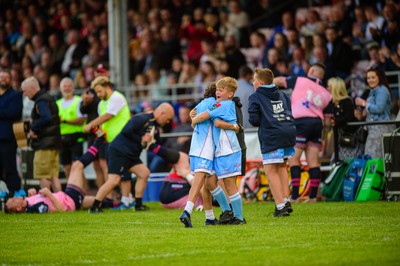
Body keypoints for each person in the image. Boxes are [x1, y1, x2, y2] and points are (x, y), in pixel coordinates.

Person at [181, 77, 245, 227]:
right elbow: (209, 116)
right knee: (212, 181)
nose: (218, 92)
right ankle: (227, 212)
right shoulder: (220, 104)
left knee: (229, 184)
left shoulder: (226, 104)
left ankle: (239, 217)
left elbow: (210, 118)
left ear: (230, 94)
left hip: (228, 149)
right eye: (217, 89)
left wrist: (194, 120)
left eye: (221, 90)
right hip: (220, 150)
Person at [89, 102, 175, 213]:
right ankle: (94, 206)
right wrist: (141, 139)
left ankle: (138, 205)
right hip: (119, 151)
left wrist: (171, 158)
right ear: (162, 113)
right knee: (114, 180)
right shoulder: (142, 119)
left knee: (144, 173)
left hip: (131, 155)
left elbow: (157, 145)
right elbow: (126, 131)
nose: (167, 122)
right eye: (167, 119)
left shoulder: (155, 127)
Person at [4, 135, 110, 213]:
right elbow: (61, 210)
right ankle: (99, 140)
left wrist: (35, 192)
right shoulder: (35, 208)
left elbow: (41, 197)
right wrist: (49, 194)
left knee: (95, 201)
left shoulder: (27, 201)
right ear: (18, 208)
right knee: (77, 166)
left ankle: (116, 204)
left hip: (67, 196)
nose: (15, 197)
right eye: (13, 200)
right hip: (70, 199)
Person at [274, 63, 333, 203]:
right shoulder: (327, 93)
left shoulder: (300, 80)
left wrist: (265, 85)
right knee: (313, 161)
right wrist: (323, 138)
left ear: (311, 71)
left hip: (301, 122)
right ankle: (312, 197)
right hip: (317, 124)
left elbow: (279, 80)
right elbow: (328, 121)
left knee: (294, 160)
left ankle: (295, 196)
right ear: (321, 76)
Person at [248, 68, 296, 217]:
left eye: (254, 80)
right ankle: (286, 200)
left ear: (260, 83)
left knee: (270, 171)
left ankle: (280, 206)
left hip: (272, 134)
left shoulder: (256, 96)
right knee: (282, 166)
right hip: (288, 131)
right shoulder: (283, 94)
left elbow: (254, 120)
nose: (253, 82)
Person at [83, 76, 133, 209]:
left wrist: (90, 124)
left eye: (99, 91)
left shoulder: (117, 97)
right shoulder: (101, 103)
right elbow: (103, 124)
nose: (98, 95)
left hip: (123, 139)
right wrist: (98, 133)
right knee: (121, 172)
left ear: (107, 87)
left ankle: (126, 201)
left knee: (123, 172)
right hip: (110, 142)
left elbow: (107, 116)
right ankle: (128, 200)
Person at [21, 76, 62, 192]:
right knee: (54, 175)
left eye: (25, 90)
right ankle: (61, 202)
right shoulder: (48, 97)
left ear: (32, 88)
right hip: (53, 143)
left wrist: (33, 128)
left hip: (44, 144)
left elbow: (46, 117)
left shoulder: (41, 101)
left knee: (42, 174)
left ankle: (47, 202)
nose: (24, 94)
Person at [355, 67, 396, 158]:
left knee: (376, 159)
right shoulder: (373, 91)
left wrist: (364, 103)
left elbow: (379, 109)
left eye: (373, 77)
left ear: (379, 78)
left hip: (380, 129)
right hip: (373, 130)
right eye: (368, 78)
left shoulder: (382, 90)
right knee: (371, 158)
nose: (370, 80)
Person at [328, 77, 364, 160]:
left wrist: (334, 121)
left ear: (335, 88)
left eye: (329, 86)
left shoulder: (347, 101)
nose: (327, 88)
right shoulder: (331, 103)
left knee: (347, 161)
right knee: (334, 160)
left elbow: (347, 118)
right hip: (340, 137)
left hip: (351, 136)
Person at [56, 77, 86, 178]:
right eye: (64, 86)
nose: (67, 88)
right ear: (60, 89)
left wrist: (64, 121)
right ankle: (71, 191)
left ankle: (81, 191)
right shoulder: (57, 103)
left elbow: (81, 119)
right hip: (62, 138)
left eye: (69, 86)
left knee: (77, 166)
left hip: (76, 137)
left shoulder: (78, 101)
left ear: (73, 88)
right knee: (66, 167)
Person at [0, 69, 23, 195]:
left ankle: (15, 196)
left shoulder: (15, 95)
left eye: (6, 77)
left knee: (10, 169)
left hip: (7, 139)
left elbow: (15, 113)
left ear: (11, 79)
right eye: (1, 76)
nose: (3, 79)